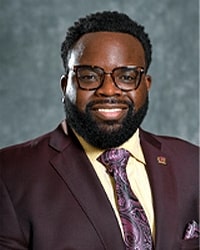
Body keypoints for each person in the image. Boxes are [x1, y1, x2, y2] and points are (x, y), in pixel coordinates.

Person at [0, 11, 199, 250]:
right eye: (89, 76)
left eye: (126, 76)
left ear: (146, 85)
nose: (108, 90)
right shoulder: (10, 173)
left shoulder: (192, 164)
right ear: (65, 86)